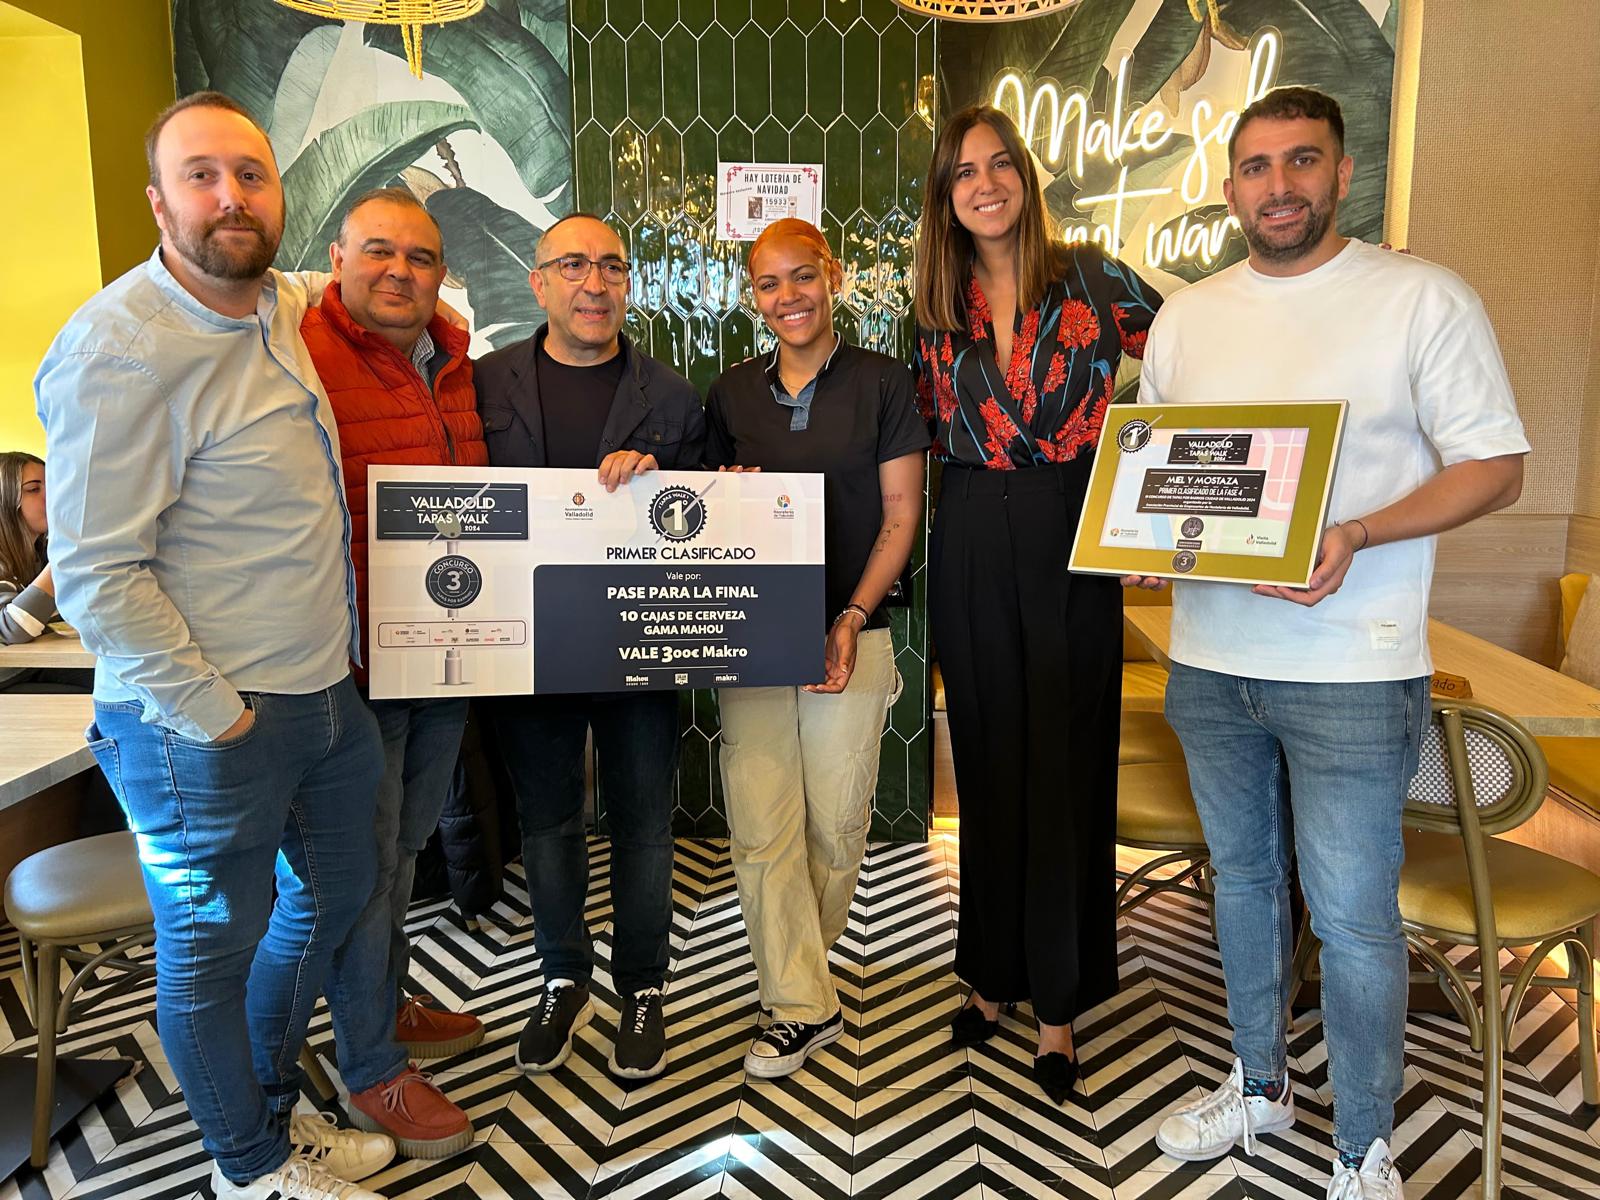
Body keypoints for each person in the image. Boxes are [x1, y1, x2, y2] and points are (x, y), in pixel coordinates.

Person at [1132, 87, 1528, 1199]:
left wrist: (1356, 531)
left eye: (1302, 161)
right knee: (1243, 883)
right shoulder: (1187, 317)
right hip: (1211, 659)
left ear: (1342, 173)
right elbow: (1166, 473)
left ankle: (1363, 1145)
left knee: (1354, 919)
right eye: (1257, 167)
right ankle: (1259, 1086)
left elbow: (1496, 467)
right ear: (1229, 189)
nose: (1280, 186)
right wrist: (1152, 544)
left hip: (1354, 665)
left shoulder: (1421, 298)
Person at [35, 92, 396, 1200]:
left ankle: (270, 1111)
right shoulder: (119, 351)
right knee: (209, 949)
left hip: (323, 692)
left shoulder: (275, 302)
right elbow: (97, 575)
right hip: (203, 720)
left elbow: (356, 282)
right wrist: (217, 717)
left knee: (334, 894)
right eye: (201, 175)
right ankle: (248, 1168)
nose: (230, 197)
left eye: (251, 174)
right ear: (158, 201)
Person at [910, 105, 1161, 1104]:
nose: (985, 184)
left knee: (1063, 763)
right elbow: (903, 438)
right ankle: (991, 975)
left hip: (1072, 519)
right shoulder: (933, 305)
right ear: (945, 196)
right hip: (969, 522)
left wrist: (1154, 508)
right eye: (963, 172)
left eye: (999, 164)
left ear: (1024, 175)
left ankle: (1058, 1002)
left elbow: (1201, 358)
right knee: (987, 763)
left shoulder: (1096, 277)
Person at [476, 212, 706, 1081]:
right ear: (538, 282)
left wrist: (666, 482)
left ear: (628, 285)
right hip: (527, 647)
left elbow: (710, 515)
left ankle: (643, 986)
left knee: (645, 827)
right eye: (573, 265)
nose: (595, 282)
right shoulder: (485, 383)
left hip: (639, 648)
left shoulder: (673, 397)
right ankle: (561, 977)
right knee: (548, 824)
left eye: (611, 265)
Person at [704, 219, 928, 1078]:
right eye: (769, 283)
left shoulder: (884, 382)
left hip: (854, 630)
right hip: (752, 637)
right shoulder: (730, 393)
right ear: (752, 295)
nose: (788, 296)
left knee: (835, 827)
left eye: (802, 276)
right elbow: (701, 514)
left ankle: (797, 981)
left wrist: (852, 616)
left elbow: (902, 514)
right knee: (763, 828)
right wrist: (724, 495)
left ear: (831, 274)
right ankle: (801, 1005)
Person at [298, 186, 481, 1157]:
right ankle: (369, 1068)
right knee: (364, 868)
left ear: (442, 272)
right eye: (379, 251)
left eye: (419, 257)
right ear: (336, 258)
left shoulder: (453, 360)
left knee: (404, 852)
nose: (399, 271)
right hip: (351, 662)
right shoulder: (299, 350)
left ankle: (385, 1002)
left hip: (442, 654)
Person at [0, 452, 89, 693]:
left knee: (120, 682)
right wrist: (65, 554)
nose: (52, 495)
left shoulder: (38, 554)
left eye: (53, 484)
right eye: (33, 489)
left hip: (29, 668)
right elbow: (12, 629)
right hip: (8, 678)